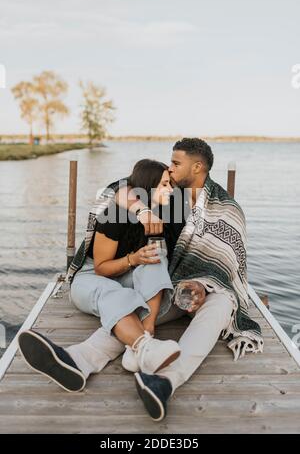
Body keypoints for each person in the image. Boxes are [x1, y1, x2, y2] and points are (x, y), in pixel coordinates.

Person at [18, 138, 263, 423]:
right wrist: (142, 212)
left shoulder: (221, 206)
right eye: (168, 167)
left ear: (197, 167)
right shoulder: (147, 198)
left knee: (222, 299)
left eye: (175, 164)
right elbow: (121, 195)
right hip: (121, 278)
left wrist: (200, 283)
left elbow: (223, 264)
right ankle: (142, 347)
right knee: (133, 283)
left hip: (173, 286)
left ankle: (139, 374)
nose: (170, 172)